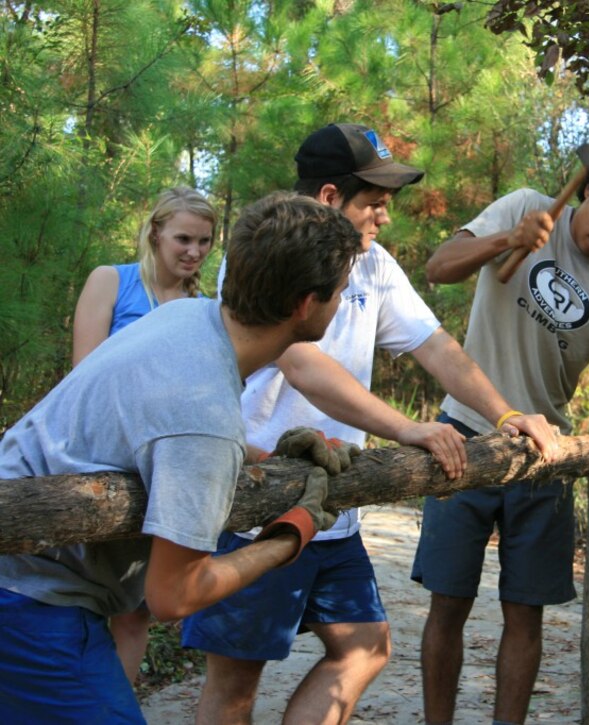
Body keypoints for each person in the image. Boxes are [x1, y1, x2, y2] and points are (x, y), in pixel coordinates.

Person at [182, 123, 558, 725]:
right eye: (375, 203)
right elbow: (304, 366)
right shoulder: (259, 257)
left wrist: (505, 414)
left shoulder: (373, 264)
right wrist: (405, 427)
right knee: (234, 683)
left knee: (364, 645)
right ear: (330, 198)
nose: (385, 217)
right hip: (256, 502)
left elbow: (436, 347)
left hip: (332, 507)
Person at [0, 192, 361, 722]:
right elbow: (173, 594)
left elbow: (153, 432)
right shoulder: (203, 415)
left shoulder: (187, 318)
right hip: (29, 600)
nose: (343, 298)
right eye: (340, 292)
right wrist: (288, 538)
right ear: (305, 304)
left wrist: (261, 453)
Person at [413, 142, 589, 725]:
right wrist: (507, 240)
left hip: (547, 452)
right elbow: (439, 268)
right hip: (465, 430)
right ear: (587, 191)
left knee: (524, 612)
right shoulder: (529, 207)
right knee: (449, 602)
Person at [71, 185, 217, 685]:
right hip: (99, 464)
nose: (194, 252)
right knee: (81, 601)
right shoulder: (111, 281)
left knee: (134, 610)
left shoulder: (207, 309)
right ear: (155, 233)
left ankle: (119, 710)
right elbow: (83, 377)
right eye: (183, 239)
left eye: (204, 242)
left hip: (164, 474)